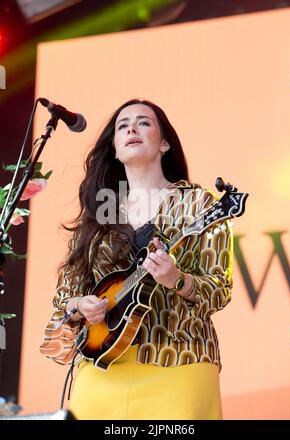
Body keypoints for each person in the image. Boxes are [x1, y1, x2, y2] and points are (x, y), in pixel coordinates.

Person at [40, 98, 233, 420]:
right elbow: (65, 296)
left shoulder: (201, 203)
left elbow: (220, 289)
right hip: (101, 362)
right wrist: (80, 304)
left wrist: (177, 279)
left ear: (165, 143)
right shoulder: (99, 212)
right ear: (114, 148)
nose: (131, 128)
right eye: (122, 125)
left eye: (144, 122)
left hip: (179, 359)